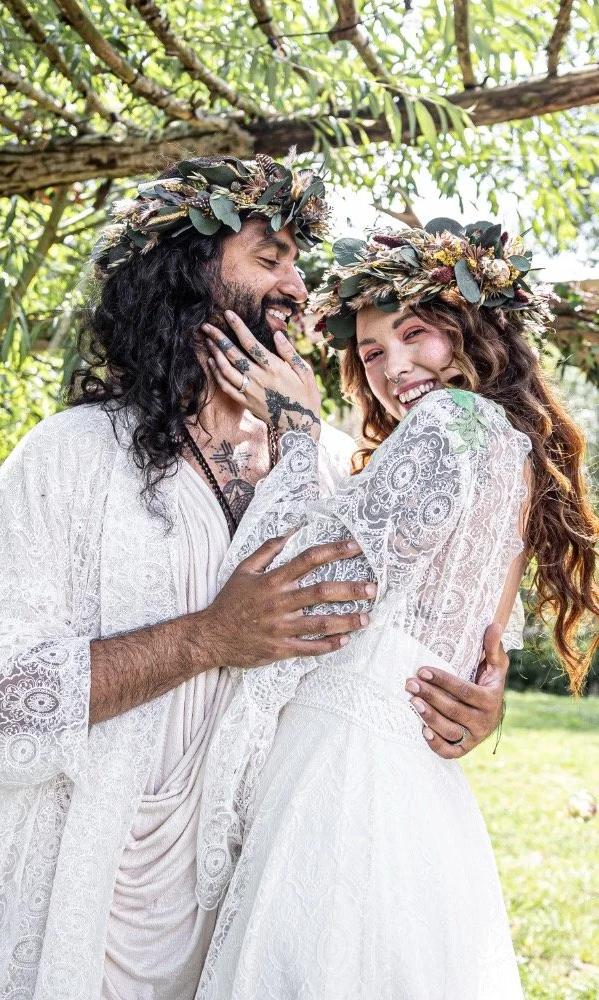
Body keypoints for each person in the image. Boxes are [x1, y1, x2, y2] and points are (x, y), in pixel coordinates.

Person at [0, 157, 510, 1000]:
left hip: (247, 892)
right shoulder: (72, 457)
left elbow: (378, 637)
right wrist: (208, 636)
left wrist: (465, 702)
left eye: (297, 264)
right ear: (186, 278)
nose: (295, 285)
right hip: (78, 892)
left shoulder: (315, 463)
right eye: (269, 256)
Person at [192, 220, 599, 998]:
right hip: (415, 788)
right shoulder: (512, 453)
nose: (395, 367)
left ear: (474, 332)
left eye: (416, 336)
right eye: (373, 353)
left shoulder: (449, 424)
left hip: (346, 777)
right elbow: (473, 644)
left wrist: (295, 429)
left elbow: (311, 585)